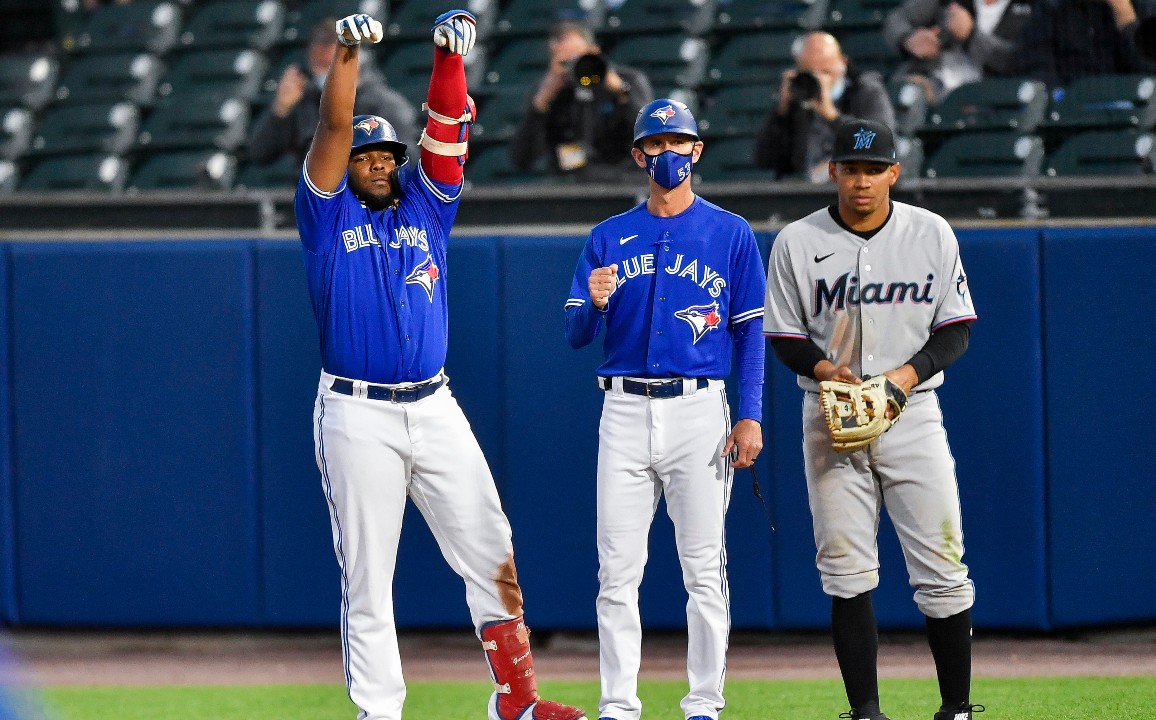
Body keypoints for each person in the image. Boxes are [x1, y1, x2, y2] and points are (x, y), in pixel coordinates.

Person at [294, 12, 585, 720]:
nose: (380, 164)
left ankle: (516, 700)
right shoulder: (327, 217)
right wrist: (351, 54)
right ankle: (380, 713)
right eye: (368, 158)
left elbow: (448, 131)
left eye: (387, 155)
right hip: (357, 412)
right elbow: (334, 128)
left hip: (433, 403)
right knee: (368, 578)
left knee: (490, 541)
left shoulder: (425, 208)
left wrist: (447, 59)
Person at [762, 118, 980, 720]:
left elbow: (956, 327)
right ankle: (866, 712)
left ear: (894, 172)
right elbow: (782, 334)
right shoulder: (797, 242)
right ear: (833, 170)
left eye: (874, 169)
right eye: (851, 169)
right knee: (846, 569)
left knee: (942, 564)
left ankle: (956, 709)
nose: (862, 181)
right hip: (830, 415)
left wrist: (902, 380)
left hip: (912, 414)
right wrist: (828, 370)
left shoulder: (930, 233)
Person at [564, 98, 766, 720]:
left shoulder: (730, 233)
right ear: (638, 155)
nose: (668, 154)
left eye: (679, 143)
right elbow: (574, 334)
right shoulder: (608, 236)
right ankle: (618, 706)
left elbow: (750, 335)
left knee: (705, 569)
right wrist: (594, 303)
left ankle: (704, 702)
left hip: (700, 411)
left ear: (697, 151)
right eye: (656, 144)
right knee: (616, 575)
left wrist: (750, 414)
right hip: (623, 410)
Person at [246, 17, 417, 169]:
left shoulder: (385, 105)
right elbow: (260, 154)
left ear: (357, 62)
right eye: (320, 67)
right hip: (313, 198)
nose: (328, 76)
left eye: (332, 65)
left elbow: (409, 161)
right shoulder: (305, 102)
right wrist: (281, 109)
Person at [510, 21, 654, 182]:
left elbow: (652, 139)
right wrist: (541, 104)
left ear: (594, 51)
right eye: (565, 63)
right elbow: (521, 159)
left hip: (623, 181)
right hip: (569, 188)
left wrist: (622, 92)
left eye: (580, 59)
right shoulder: (546, 92)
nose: (574, 67)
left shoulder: (628, 81)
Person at [755, 31, 895, 182]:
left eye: (826, 72)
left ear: (843, 64)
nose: (819, 80)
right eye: (810, 73)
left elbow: (881, 146)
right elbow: (764, 160)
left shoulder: (866, 91)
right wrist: (781, 113)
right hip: (804, 193)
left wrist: (833, 117)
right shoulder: (797, 97)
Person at [882, 0, 1034, 106]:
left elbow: (1022, 61)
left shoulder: (1034, 7)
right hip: (933, 84)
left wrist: (971, 36)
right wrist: (908, 39)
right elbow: (897, 19)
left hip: (991, 97)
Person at [1019, 0, 1156, 94]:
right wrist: (1061, 97)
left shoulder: (1144, 7)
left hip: (1129, 107)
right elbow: (1038, 65)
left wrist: (1127, 22)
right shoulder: (1051, 8)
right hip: (1069, 110)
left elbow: (1151, 70)